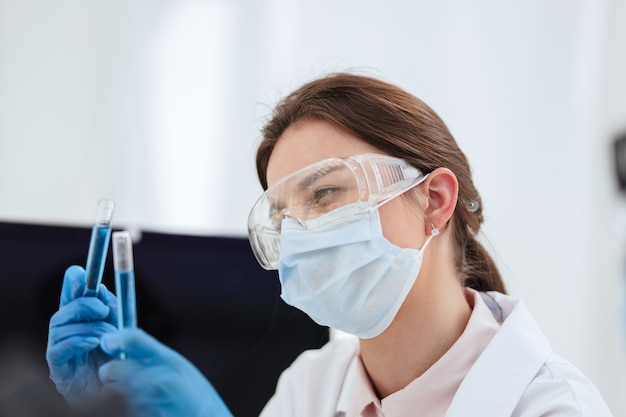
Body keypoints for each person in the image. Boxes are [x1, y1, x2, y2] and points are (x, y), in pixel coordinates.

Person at [46, 72, 614, 416]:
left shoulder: (549, 406)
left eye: (325, 194)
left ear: (436, 200)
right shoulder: (309, 388)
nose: (298, 234)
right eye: (281, 214)